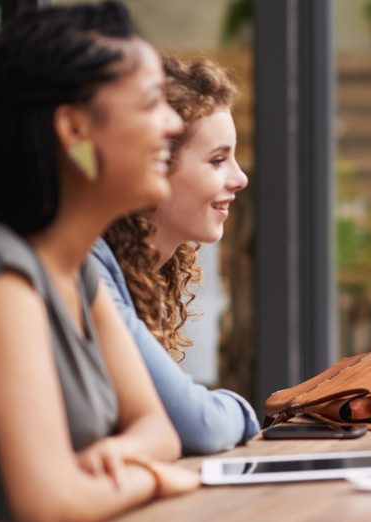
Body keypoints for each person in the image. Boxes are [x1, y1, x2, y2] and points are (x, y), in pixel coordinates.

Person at [0, 3, 200, 522]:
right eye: (149, 102)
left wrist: (121, 455)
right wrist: (154, 481)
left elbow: (158, 428)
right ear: (75, 129)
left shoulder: (76, 265)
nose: (172, 123)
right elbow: (50, 506)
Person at [92, 56, 256, 456]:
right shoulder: (90, 268)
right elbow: (196, 424)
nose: (240, 178)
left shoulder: (145, 274)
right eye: (218, 160)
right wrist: (243, 410)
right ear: (154, 165)